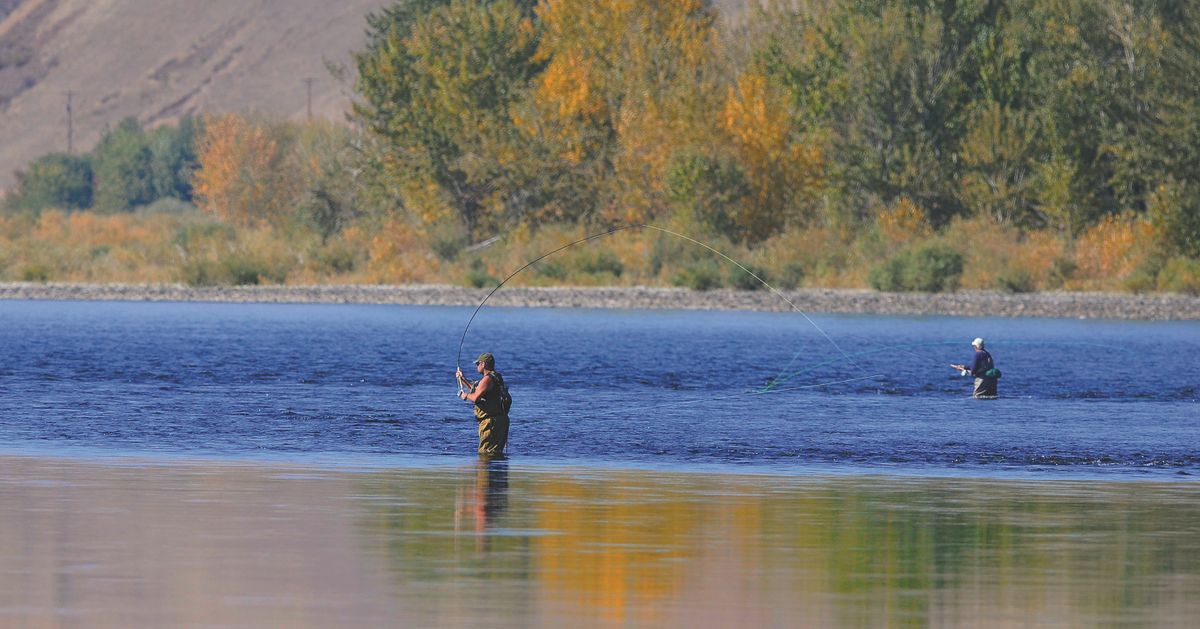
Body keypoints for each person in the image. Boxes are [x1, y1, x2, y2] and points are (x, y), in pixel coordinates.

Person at [456, 352, 510, 456]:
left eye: (477, 364)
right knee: (495, 453)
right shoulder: (496, 377)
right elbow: (478, 390)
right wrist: (462, 379)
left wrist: (465, 396)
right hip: (499, 421)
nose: (476, 366)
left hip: (491, 423)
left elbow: (476, 397)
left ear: (483, 364)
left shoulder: (487, 379)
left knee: (485, 454)